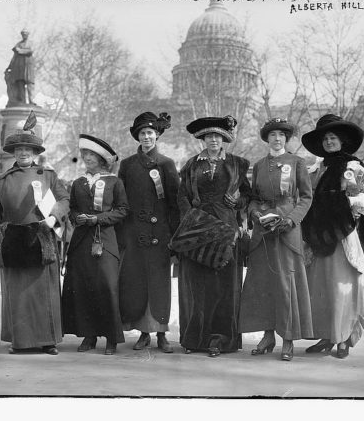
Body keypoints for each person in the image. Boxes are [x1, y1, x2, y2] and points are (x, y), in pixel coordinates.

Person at [0, 118, 69, 355]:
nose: (23, 153)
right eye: (19, 149)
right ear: (13, 152)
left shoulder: (48, 176)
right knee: (18, 294)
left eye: (28, 149)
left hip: (42, 237)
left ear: (35, 152)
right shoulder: (1, 180)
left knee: (44, 292)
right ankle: (20, 341)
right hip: (13, 239)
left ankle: (47, 341)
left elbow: (64, 200)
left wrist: (54, 218)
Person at [301, 114, 364, 359]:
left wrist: (354, 203)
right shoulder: (315, 167)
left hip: (341, 235)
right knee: (320, 288)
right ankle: (327, 335)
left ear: (342, 140)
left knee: (342, 287)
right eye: (325, 138)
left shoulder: (353, 166)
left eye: (333, 137)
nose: (329, 142)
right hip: (316, 235)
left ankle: (343, 338)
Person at [176, 115, 251, 357]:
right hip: (197, 229)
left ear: (224, 139)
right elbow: (182, 196)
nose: (213, 140)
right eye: (209, 136)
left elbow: (249, 195)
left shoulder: (237, 164)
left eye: (218, 136)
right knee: (196, 284)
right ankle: (194, 338)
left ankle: (220, 340)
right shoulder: (191, 165)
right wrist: (191, 220)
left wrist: (239, 201)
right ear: (203, 139)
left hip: (226, 227)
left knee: (223, 285)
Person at [239, 118, 313, 361]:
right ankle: (267, 336)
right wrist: (255, 214)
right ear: (267, 138)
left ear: (287, 138)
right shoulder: (259, 165)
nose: (277, 138)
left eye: (281, 135)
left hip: (287, 229)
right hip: (263, 230)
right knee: (263, 283)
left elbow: (305, 198)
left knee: (285, 283)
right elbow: (252, 198)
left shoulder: (298, 163)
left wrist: (291, 220)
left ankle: (288, 338)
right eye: (272, 135)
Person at [118, 112, 180, 353]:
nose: (147, 137)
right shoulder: (127, 165)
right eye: (143, 133)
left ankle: (162, 333)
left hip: (160, 235)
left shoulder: (166, 164)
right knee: (138, 283)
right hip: (135, 234)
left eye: (150, 133)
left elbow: (174, 203)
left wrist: (173, 236)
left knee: (160, 284)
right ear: (138, 136)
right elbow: (120, 201)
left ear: (157, 136)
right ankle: (144, 333)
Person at [61, 134, 128, 355]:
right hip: (81, 244)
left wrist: (98, 219)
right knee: (83, 288)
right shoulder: (78, 183)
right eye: (84, 154)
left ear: (101, 158)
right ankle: (89, 336)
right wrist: (76, 217)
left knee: (107, 287)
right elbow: (71, 208)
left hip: (105, 242)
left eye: (91, 154)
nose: (87, 158)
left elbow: (122, 210)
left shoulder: (114, 182)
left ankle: (111, 338)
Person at [4, 28, 35, 105]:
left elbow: (30, 51)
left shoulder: (31, 43)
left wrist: (20, 51)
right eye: (23, 34)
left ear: (28, 35)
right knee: (20, 83)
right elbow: (14, 58)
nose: (24, 35)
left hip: (28, 67)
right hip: (19, 67)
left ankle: (31, 100)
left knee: (30, 84)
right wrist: (9, 67)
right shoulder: (18, 44)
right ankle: (22, 101)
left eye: (26, 34)